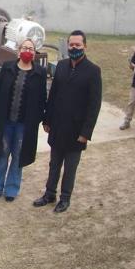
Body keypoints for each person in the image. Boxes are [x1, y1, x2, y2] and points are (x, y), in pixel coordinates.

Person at [33, 30, 102, 214]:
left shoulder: (93, 71)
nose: (74, 48)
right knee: (54, 164)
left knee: (70, 168)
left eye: (78, 45)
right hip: (57, 126)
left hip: (76, 130)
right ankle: (49, 194)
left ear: (85, 46)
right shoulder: (62, 66)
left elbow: (94, 105)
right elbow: (53, 95)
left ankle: (65, 198)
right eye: (71, 44)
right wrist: (47, 120)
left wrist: (86, 133)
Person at [0, 38, 47, 201]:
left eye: (31, 48)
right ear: (19, 50)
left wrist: (38, 119)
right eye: (24, 47)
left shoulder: (40, 73)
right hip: (5, 122)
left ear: (34, 53)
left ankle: (11, 189)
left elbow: (42, 98)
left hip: (24, 125)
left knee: (18, 156)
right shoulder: (8, 68)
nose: (27, 51)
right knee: (2, 154)